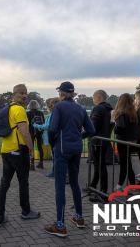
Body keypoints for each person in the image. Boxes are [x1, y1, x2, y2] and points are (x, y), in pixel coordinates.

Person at [44, 81, 95, 237]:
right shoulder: (80, 108)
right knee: (74, 183)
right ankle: (79, 218)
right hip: (76, 149)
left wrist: (54, 144)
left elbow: (52, 129)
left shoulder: (59, 106)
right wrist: (78, 137)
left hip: (62, 149)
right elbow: (91, 130)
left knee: (60, 186)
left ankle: (60, 225)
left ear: (61, 93)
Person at [0, 84, 41, 228]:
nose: (24, 96)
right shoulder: (19, 110)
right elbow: (25, 132)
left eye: (25, 93)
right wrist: (31, 149)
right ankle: (26, 211)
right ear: (14, 94)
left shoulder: (7, 108)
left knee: (4, 183)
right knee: (23, 182)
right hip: (18, 151)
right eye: (21, 93)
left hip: (6, 150)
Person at [88, 90, 112, 194]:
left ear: (99, 97)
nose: (93, 99)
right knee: (99, 165)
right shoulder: (108, 109)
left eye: (93, 97)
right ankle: (93, 185)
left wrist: (82, 135)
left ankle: (103, 191)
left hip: (97, 141)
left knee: (100, 166)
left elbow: (93, 127)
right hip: (104, 140)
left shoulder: (98, 108)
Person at [114, 93, 138, 190]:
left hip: (123, 142)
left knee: (124, 164)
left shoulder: (121, 114)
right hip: (132, 141)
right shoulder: (133, 113)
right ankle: (131, 185)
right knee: (128, 164)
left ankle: (121, 185)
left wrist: (115, 127)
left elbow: (120, 128)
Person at [33, 97, 60, 177]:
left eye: (49, 105)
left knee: (55, 156)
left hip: (55, 138)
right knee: (55, 156)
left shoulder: (53, 114)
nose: (48, 107)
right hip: (55, 138)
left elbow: (47, 126)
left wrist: (36, 125)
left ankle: (55, 172)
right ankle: (55, 171)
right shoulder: (53, 114)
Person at [27, 100, 45, 170]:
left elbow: (27, 124)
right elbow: (43, 122)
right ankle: (41, 163)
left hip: (31, 132)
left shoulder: (28, 113)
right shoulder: (41, 113)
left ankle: (32, 164)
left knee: (31, 148)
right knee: (40, 147)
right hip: (39, 132)